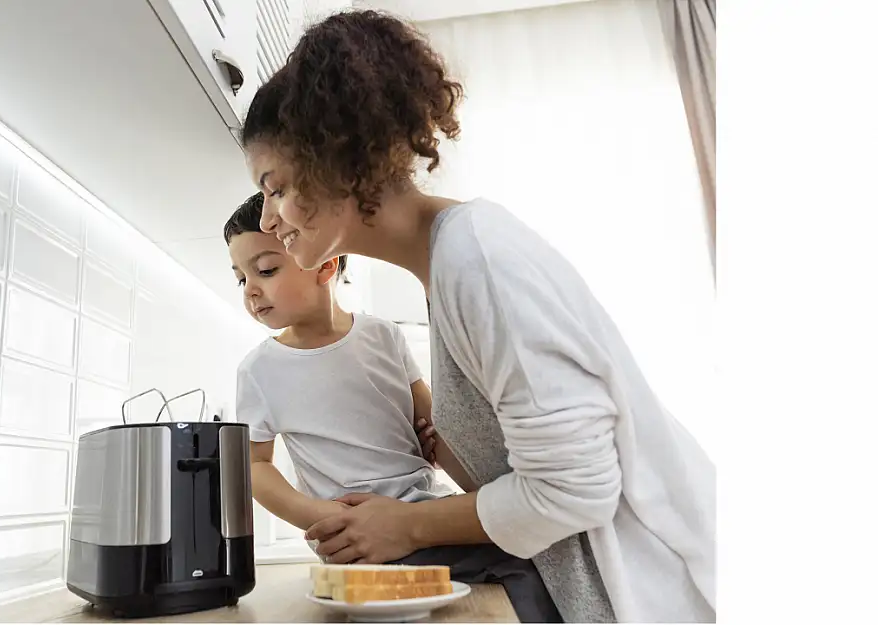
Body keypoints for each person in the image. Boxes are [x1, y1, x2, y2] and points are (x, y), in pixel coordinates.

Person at [237, 9, 716, 624]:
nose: (269, 220)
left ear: (335, 157)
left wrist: (404, 524)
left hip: (656, 598)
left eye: (274, 188)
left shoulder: (477, 259)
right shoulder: (446, 268)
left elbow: (576, 490)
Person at [225, 193, 562, 623]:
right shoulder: (259, 370)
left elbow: (435, 425)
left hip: (423, 510)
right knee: (522, 564)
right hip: (354, 535)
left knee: (531, 554)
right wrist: (320, 516)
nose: (251, 290)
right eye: (240, 278)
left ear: (326, 265)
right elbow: (253, 465)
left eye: (266, 270)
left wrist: (466, 471)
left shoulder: (384, 336)